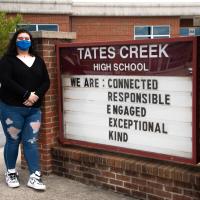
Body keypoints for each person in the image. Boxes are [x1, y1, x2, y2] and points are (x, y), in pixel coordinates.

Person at [0, 29, 50, 190]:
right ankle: (11, 172)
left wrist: (35, 96)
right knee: (13, 140)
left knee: (31, 142)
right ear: (15, 41)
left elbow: (46, 81)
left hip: (33, 111)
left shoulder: (39, 60)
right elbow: (6, 81)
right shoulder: (7, 60)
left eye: (26, 38)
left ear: (31, 41)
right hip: (11, 108)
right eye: (20, 38)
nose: (23, 40)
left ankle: (34, 176)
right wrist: (26, 94)